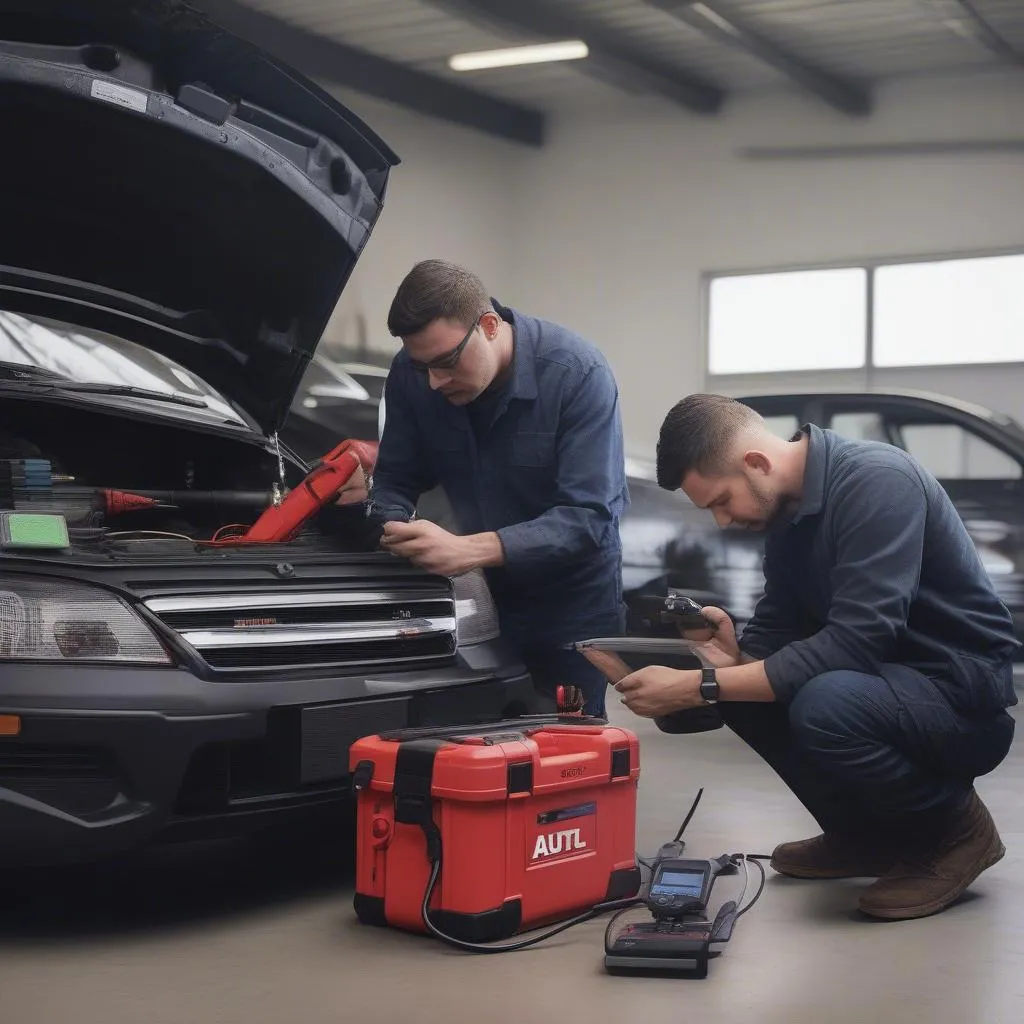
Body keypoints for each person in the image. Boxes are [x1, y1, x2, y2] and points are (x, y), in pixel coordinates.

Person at [614, 394, 1018, 921]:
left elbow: (856, 642)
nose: (720, 521)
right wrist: (730, 660)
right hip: (887, 686)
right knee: (744, 687)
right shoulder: (786, 515)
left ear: (756, 464)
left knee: (824, 701)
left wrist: (701, 686)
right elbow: (783, 626)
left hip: (960, 699)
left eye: (721, 500)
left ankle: (960, 832)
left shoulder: (878, 481)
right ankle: (864, 837)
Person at [361, 259, 629, 718]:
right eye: (422, 365)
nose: (434, 381)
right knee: (466, 759)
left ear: (489, 326)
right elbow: (397, 476)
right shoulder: (412, 372)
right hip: (473, 608)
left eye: (446, 362)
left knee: (566, 760)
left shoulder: (576, 374)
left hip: (570, 608)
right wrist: (392, 523)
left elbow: (590, 518)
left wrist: (470, 550)